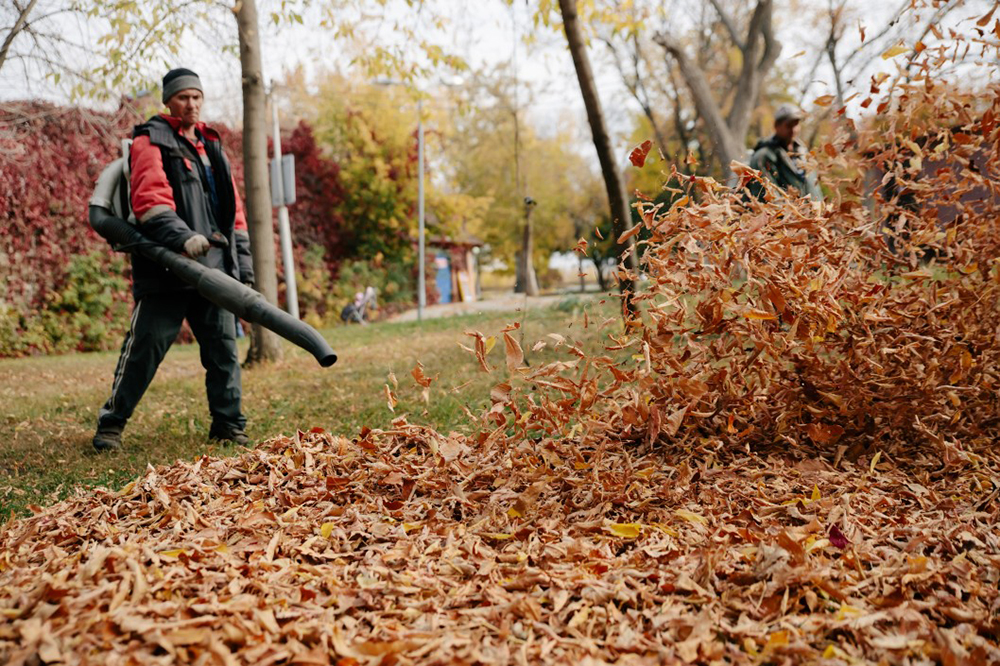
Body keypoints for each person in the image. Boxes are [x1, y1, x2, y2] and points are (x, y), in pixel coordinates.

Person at [92, 68, 255, 452]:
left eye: (197, 96)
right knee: (144, 350)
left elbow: (235, 215)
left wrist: (242, 268)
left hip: (213, 271)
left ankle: (228, 425)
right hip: (167, 268)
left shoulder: (211, 145)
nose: (192, 104)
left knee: (223, 351)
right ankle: (111, 426)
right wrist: (185, 240)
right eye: (183, 97)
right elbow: (150, 201)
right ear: (168, 101)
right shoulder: (151, 139)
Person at [748, 104, 823, 200]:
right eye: (788, 125)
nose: (793, 130)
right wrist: (792, 214)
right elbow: (767, 198)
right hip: (786, 213)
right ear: (776, 126)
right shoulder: (764, 157)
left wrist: (820, 211)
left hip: (809, 213)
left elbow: (814, 189)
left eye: (796, 124)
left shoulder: (804, 154)